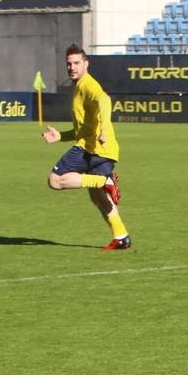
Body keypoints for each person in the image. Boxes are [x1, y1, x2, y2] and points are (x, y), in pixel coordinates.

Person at [42, 44, 132, 250]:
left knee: (55, 180)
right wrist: (60, 136)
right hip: (106, 150)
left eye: (76, 63)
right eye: (69, 64)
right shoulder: (79, 88)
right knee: (97, 195)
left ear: (86, 64)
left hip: (93, 149)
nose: (72, 67)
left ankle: (106, 180)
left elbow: (105, 99)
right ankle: (121, 236)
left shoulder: (88, 85)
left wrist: (105, 131)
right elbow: (82, 131)